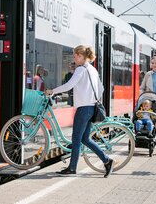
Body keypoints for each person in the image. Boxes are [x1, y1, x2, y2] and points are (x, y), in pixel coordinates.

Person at [45, 45, 114, 178]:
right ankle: (107, 160)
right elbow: (101, 88)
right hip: (91, 108)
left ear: (81, 56)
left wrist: (52, 91)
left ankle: (72, 168)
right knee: (85, 139)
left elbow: (69, 85)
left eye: (75, 55)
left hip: (83, 109)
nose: (74, 57)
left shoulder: (80, 69)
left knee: (76, 139)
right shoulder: (92, 69)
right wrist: (93, 98)